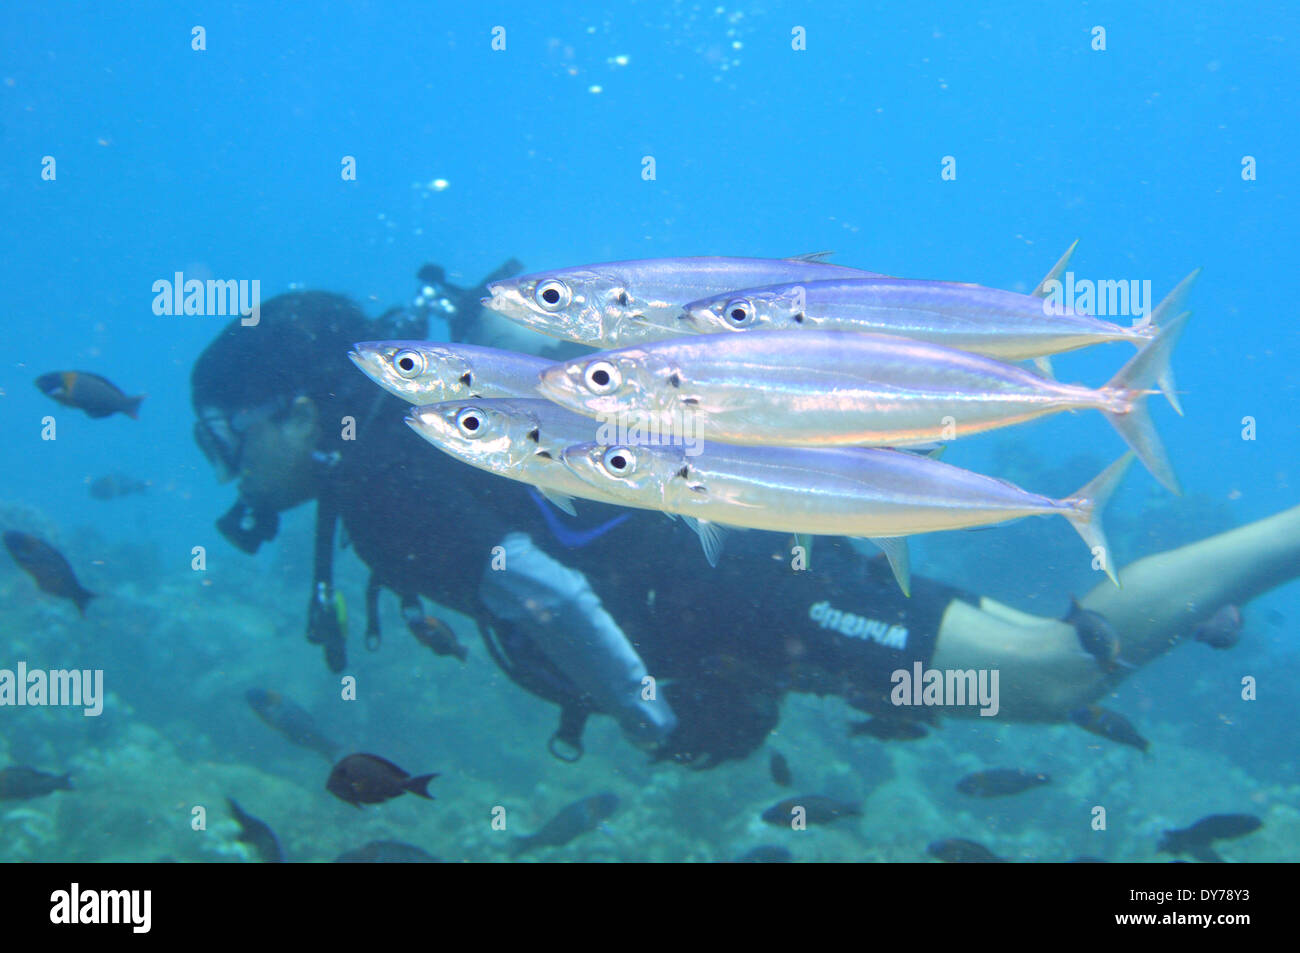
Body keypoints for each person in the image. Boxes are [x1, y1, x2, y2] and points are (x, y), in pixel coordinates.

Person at [191, 267, 1300, 768]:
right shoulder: (411, 433)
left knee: (1052, 671)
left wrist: (645, 714)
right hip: (753, 551)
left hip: (747, 580)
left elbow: (547, 589)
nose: (230, 469)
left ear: (293, 408)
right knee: (1045, 647)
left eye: (225, 436)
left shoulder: (382, 474)